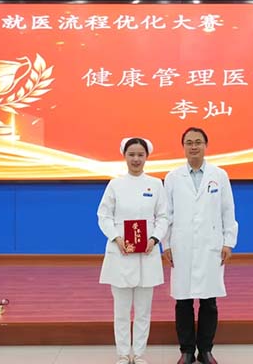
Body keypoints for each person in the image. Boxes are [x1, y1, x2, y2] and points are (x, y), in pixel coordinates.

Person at [163, 127, 239, 364]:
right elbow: (166, 214)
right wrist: (166, 244)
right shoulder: (173, 177)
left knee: (209, 301)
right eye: (189, 142)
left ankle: (205, 350)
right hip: (181, 245)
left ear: (206, 145)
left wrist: (228, 242)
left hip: (210, 245)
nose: (193, 146)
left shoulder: (219, 175)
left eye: (198, 142)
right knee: (183, 301)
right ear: (183, 146)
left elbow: (228, 210)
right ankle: (186, 351)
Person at [97, 137, 169, 364]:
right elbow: (103, 216)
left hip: (147, 252)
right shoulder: (115, 184)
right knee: (121, 310)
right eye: (132, 155)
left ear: (147, 157)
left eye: (140, 155)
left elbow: (164, 216)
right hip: (121, 252)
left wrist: (155, 238)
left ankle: (138, 354)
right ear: (124, 156)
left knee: (143, 311)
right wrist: (116, 237)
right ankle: (122, 354)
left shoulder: (156, 184)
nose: (136, 159)